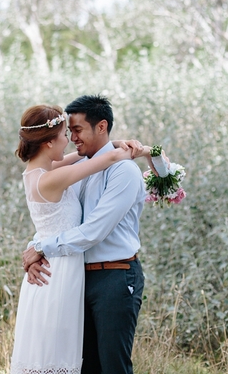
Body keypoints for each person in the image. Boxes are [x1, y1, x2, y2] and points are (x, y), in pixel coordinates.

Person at [10, 104, 146, 373]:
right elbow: (103, 159)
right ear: (49, 142)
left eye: (75, 131)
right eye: (65, 134)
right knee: (62, 358)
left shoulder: (44, 171)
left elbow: (88, 158)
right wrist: (129, 149)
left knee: (90, 361)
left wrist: (38, 246)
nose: (70, 140)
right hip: (57, 275)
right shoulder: (53, 176)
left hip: (75, 272)